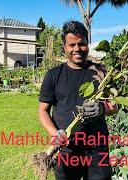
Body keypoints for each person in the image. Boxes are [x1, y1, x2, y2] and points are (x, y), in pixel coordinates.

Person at [38, 20, 118, 180]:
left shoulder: (101, 72)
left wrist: (101, 108)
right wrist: (55, 134)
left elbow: (114, 105)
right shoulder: (53, 75)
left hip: (97, 150)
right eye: (71, 45)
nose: (77, 49)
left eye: (81, 44)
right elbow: (42, 110)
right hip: (67, 150)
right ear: (64, 47)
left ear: (87, 44)